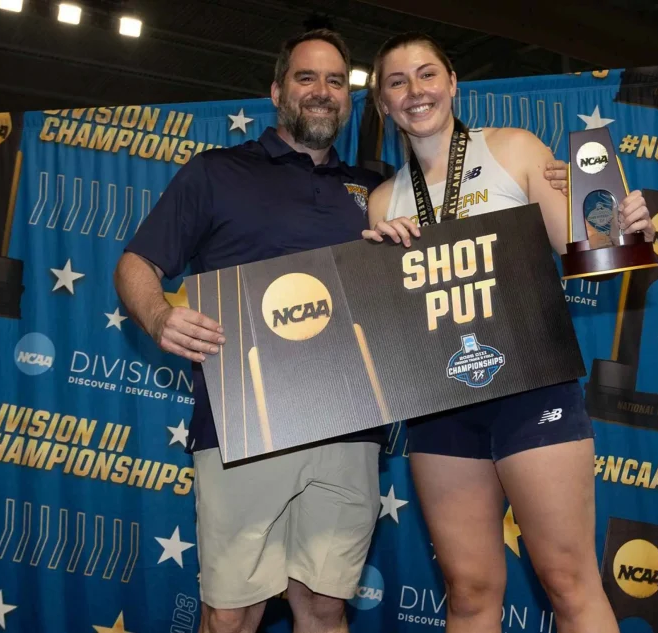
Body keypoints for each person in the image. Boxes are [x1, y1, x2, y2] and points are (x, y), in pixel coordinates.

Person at [114, 29, 574, 633]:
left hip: (350, 428)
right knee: (230, 613)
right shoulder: (216, 172)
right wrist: (158, 316)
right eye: (306, 78)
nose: (322, 92)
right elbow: (136, 263)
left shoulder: (378, 192)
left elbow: (439, 279)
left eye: (336, 81)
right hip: (243, 423)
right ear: (277, 91)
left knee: (325, 608)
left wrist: (573, 193)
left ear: (353, 100)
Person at [362, 33, 657, 633]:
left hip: (532, 387)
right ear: (383, 103)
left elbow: (590, 251)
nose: (415, 90)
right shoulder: (382, 201)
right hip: (441, 403)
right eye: (397, 82)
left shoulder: (515, 148)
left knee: (568, 580)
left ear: (453, 84)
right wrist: (379, 265)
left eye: (427, 74)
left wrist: (625, 230)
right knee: (469, 592)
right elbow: (392, 319)